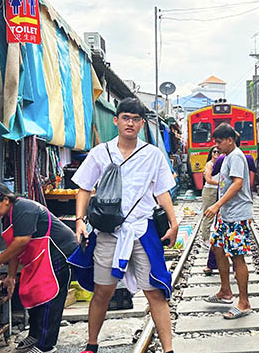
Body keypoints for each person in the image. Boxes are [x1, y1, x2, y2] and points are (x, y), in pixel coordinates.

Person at [71, 98, 179, 353]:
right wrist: (79, 221)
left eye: (135, 119)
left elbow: (162, 192)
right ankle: (91, 344)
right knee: (102, 292)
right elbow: (84, 189)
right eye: (125, 118)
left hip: (142, 230)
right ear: (116, 120)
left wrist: (173, 223)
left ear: (142, 123)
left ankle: (169, 349)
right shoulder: (101, 152)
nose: (130, 123)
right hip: (108, 232)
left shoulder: (152, 155)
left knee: (155, 292)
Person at [0, 184, 78, 353]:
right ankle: (35, 335)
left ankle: (45, 346)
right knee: (34, 294)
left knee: (50, 296)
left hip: (57, 251)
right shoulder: (7, 217)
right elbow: (13, 247)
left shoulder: (23, 207)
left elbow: (21, 241)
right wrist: (11, 277)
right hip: (39, 257)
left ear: (6, 200)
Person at [203, 124, 254, 319]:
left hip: (236, 215)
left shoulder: (237, 157)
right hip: (226, 214)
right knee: (217, 247)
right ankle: (225, 291)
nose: (216, 147)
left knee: (237, 256)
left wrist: (216, 205)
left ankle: (244, 302)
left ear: (230, 140)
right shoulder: (227, 158)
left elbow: (238, 184)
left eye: (219, 142)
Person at [201, 146, 221, 275]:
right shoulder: (210, 164)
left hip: (217, 191)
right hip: (210, 191)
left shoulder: (221, 163)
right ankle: (205, 240)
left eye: (218, 152)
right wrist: (222, 184)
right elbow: (208, 179)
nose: (216, 154)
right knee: (208, 215)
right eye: (214, 152)